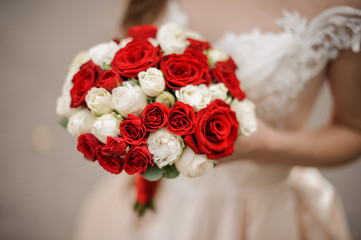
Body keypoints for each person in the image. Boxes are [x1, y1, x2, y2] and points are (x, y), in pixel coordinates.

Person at [74, 0, 361, 239]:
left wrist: (267, 147)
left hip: (262, 210)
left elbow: (353, 130)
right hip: (163, 194)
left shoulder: (342, 7)